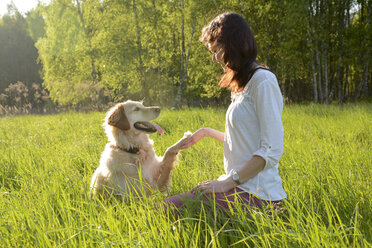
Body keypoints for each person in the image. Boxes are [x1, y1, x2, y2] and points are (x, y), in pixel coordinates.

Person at [163, 12, 287, 216]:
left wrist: (227, 183)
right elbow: (245, 140)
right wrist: (206, 132)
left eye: (216, 50)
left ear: (233, 45)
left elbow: (271, 149)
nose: (213, 59)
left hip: (259, 194)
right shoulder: (241, 85)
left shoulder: (263, 81)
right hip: (239, 186)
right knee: (173, 207)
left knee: (165, 210)